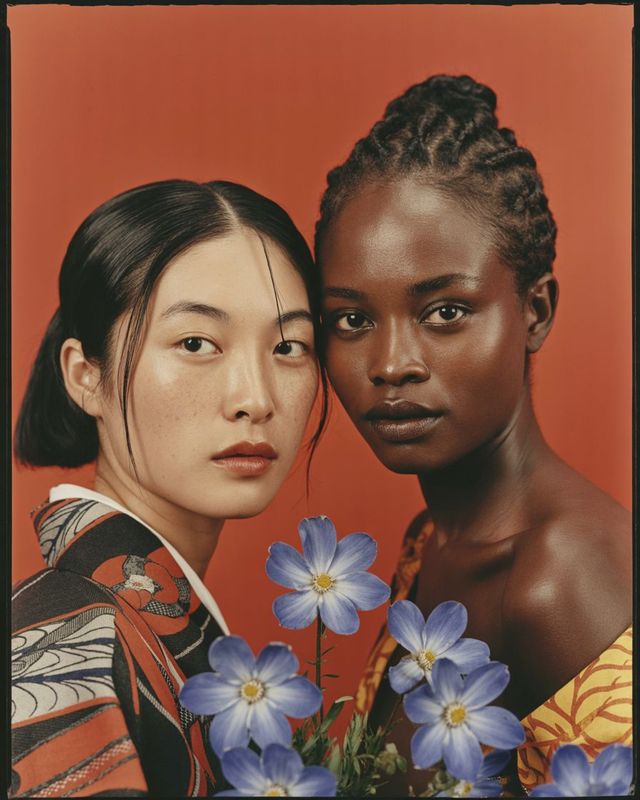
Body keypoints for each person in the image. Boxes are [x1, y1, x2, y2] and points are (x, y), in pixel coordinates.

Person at [314, 75, 632, 794]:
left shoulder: (561, 581)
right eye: (352, 320)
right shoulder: (434, 539)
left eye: (446, 312)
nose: (391, 364)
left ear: (536, 310)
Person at [11, 179, 325, 797]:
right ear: (86, 376)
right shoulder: (68, 650)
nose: (256, 399)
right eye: (195, 344)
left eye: (288, 346)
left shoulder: (129, 626)